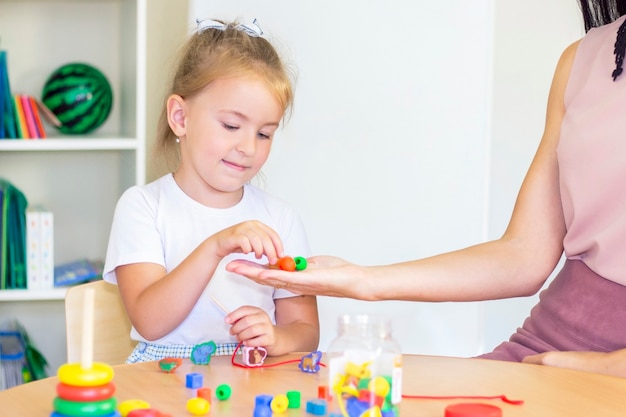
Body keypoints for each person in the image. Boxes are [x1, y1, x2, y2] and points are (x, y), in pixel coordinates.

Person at [227, 0, 626, 379]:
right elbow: (525, 254)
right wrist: (362, 280)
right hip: (542, 350)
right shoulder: (582, 59)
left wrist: (606, 367)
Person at [103, 18, 319, 363]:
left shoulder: (280, 218)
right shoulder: (142, 207)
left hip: (250, 380)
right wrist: (215, 246)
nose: (248, 146)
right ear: (180, 117)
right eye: (231, 125)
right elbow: (149, 321)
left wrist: (277, 336)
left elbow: (305, 329)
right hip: (164, 379)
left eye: (264, 134)